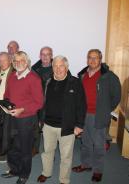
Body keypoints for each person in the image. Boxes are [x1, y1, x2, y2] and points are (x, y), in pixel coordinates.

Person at [72, 49, 121, 182]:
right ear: (87, 59)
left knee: (99, 144)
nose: (92, 60)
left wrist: (106, 109)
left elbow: (116, 96)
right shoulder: (82, 74)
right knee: (85, 142)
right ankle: (86, 164)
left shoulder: (108, 76)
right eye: (90, 58)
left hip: (98, 115)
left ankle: (98, 170)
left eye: (95, 58)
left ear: (100, 59)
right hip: (83, 114)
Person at [37, 55, 86, 184]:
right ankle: (46, 172)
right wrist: (40, 119)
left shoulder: (75, 83)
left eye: (61, 66)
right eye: (55, 66)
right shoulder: (47, 81)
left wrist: (79, 125)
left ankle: (64, 179)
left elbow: (81, 105)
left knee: (66, 156)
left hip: (67, 126)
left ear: (67, 67)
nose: (58, 69)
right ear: (52, 68)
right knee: (47, 152)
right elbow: (42, 103)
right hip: (48, 126)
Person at [1, 51, 44, 184]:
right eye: (16, 61)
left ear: (27, 62)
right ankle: (15, 169)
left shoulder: (34, 78)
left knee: (25, 149)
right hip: (12, 117)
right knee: (12, 147)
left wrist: (22, 109)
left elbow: (39, 102)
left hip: (27, 119)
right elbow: (7, 94)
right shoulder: (13, 76)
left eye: (21, 61)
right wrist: (6, 104)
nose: (18, 63)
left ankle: (24, 174)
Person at [31, 46, 54, 156]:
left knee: (49, 130)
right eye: (43, 54)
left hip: (51, 104)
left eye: (47, 54)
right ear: (39, 56)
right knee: (35, 127)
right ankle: (35, 148)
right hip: (37, 103)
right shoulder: (34, 69)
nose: (45, 56)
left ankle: (50, 152)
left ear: (51, 56)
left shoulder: (58, 68)